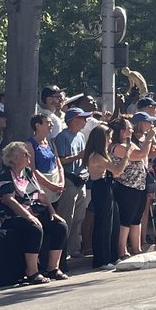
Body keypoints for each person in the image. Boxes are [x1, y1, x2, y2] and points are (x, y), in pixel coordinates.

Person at [0, 141, 69, 284]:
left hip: (33, 211)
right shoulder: (6, 176)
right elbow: (9, 200)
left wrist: (52, 211)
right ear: (14, 159)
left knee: (60, 226)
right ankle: (32, 271)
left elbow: (41, 195)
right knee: (35, 228)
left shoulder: (28, 173)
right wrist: (28, 216)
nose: (29, 155)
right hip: (13, 216)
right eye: (25, 154)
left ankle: (52, 268)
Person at [110, 118, 153, 259]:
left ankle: (137, 247)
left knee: (136, 219)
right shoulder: (117, 147)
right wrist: (149, 139)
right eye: (128, 129)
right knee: (126, 219)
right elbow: (141, 154)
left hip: (139, 186)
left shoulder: (130, 144)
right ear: (121, 131)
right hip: (126, 186)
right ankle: (122, 249)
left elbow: (143, 153)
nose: (131, 131)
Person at [54, 107, 90, 258]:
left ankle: (74, 248)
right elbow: (60, 160)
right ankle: (62, 250)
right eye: (82, 118)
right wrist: (78, 156)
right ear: (73, 120)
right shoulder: (63, 136)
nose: (85, 121)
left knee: (79, 216)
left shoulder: (81, 136)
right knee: (66, 215)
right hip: (69, 179)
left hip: (81, 179)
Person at [83, 126, 120, 269]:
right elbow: (117, 169)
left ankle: (112, 255)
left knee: (113, 223)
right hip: (100, 188)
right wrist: (127, 155)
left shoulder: (103, 154)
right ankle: (102, 260)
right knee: (103, 224)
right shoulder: (96, 156)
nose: (110, 141)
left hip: (108, 186)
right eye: (108, 138)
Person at [28, 113, 65, 206]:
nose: (52, 125)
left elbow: (59, 164)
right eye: (48, 122)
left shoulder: (51, 143)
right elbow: (33, 170)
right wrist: (51, 186)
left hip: (55, 186)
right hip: (42, 188)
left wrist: (61, 183)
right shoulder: (30, 145)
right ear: (37, 126)